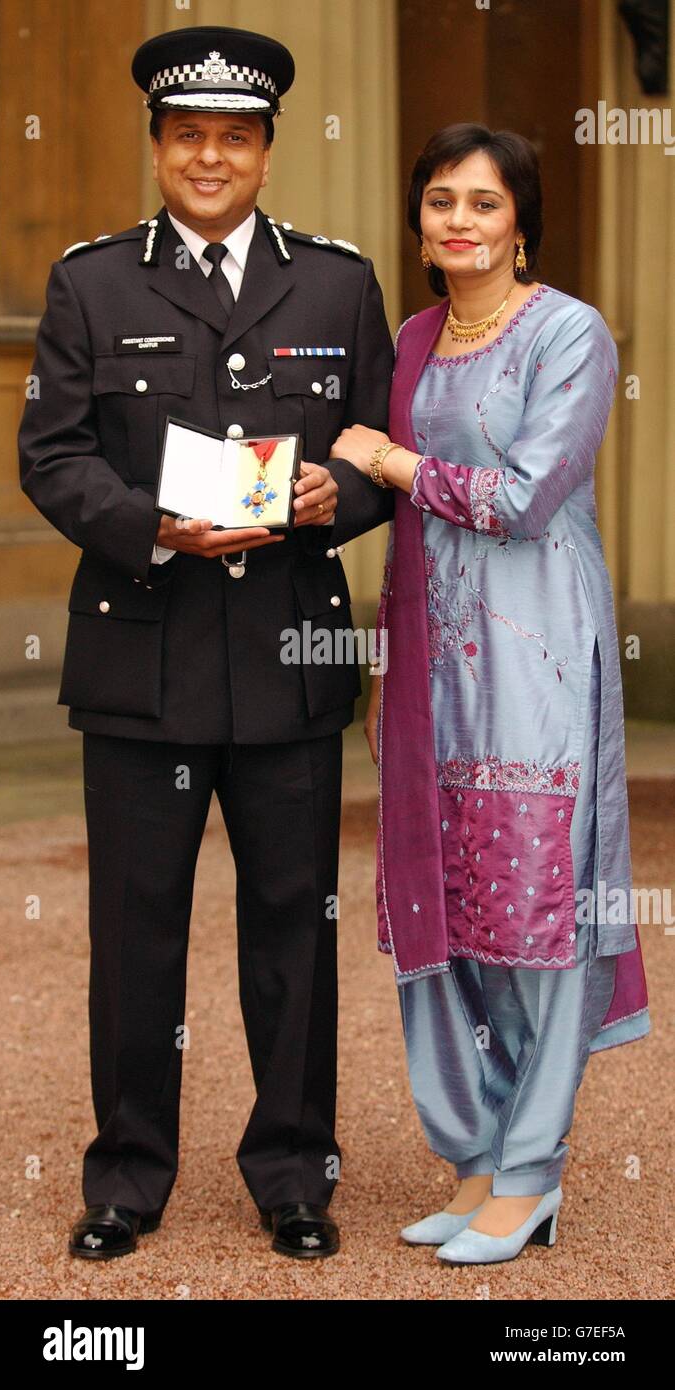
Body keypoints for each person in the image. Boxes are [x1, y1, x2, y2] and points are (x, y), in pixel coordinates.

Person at [18, 25, 394, 1261]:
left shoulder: (338, 283)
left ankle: (295, 1172)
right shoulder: (91, 281)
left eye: (236, 137)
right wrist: (148, 525)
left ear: (268, 153)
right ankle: (125, 1175)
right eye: (189, 136)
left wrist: (349, 491)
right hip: (142, 656)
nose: (211, 157)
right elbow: (52, 456)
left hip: (289, 652)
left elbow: (380, 442)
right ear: (160, 149)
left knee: (294, 920)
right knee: (136, 929)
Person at [329, 123, 650, 1266]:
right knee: (449, 907)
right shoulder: (413, 337)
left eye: (482, 203)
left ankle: (531, 1171)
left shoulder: (570, 333)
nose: (457, 222)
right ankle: (474, 1154)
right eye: (438, 203)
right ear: (417, 221)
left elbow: (521, 497)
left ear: (521, 221)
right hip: (427, 660)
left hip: (535, 660)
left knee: (532, 908)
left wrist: (394, 462)